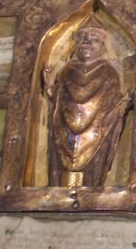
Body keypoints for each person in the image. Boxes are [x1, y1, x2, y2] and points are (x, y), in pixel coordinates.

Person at [46, 18, 131, 187]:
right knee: (61, 167)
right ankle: (64, 190)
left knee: (92, 171)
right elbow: (59, 99)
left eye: (93, 39)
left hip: (96, 131)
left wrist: (121, 107)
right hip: (65, 130)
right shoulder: (66, 71)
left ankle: (89, 190)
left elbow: (112, 104)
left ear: (103, 46)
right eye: (82, 38)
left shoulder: (108, 72)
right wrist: (50, 87)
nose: (86, 42)